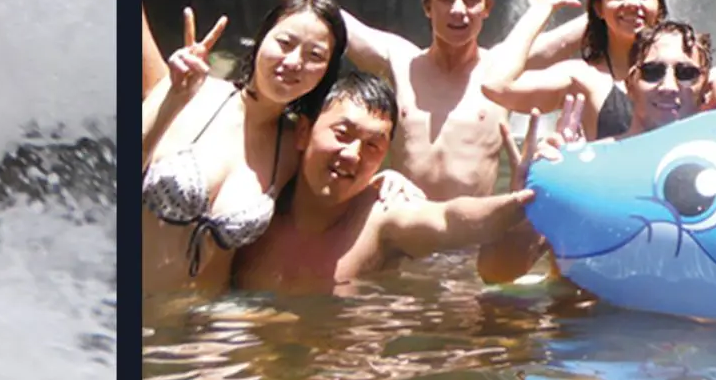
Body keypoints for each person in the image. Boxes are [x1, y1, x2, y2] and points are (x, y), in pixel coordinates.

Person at [215, 0, 570, 199]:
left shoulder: (502, 68)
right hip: (402, 234)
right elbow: (328, 12)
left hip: (468, 242)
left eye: (471, 0)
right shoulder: (400, 60)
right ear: (428, 8)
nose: (459, 10)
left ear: (487, 9)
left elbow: (587, 30)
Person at [230, 70, 537, 294]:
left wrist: (519, 198)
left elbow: (447, 218)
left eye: (372, 145)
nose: (352, 154)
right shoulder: (253, 202)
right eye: (342, 134)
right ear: (303, 132)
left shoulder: (382, 217)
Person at [140, 0, 346, 294]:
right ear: (261, 40)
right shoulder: (190, 91)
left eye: (315, 56)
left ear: (327, 72)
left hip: (203, 328)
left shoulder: (294, 146)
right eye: (285, 43)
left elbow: (336, 199)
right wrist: (172, 100)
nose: (293, 62)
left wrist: (388, 181)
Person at [479, 0, 689, 141]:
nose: (633, 3)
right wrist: (540, 10)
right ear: (598, 8)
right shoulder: (582, 78)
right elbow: (496, 85)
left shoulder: (689, 69)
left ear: (660, 8)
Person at [621, 21, 715, 135]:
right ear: (629, 84)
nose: (668, 87)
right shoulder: (598, 152)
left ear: (707, 89)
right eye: (653, 71)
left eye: (686, 73)